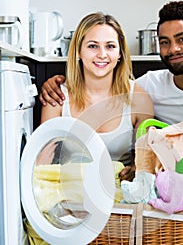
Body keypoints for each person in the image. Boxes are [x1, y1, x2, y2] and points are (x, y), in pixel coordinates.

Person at [39, 1, 183, 193]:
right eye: (165, 42)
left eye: (182, 39)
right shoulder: (146, 86)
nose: (173, 49)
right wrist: (56, 83)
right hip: (176, 181)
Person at [40, 12, 154, 181]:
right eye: (93, 46)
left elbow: (147, 162)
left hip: (121, 197)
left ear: (120, 53)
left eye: (110, 46)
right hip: (71, 195)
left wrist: (136, 170)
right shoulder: (57, 98)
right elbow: (41, 165)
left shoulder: (138, 99)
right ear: (79, 51)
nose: (102, 54)